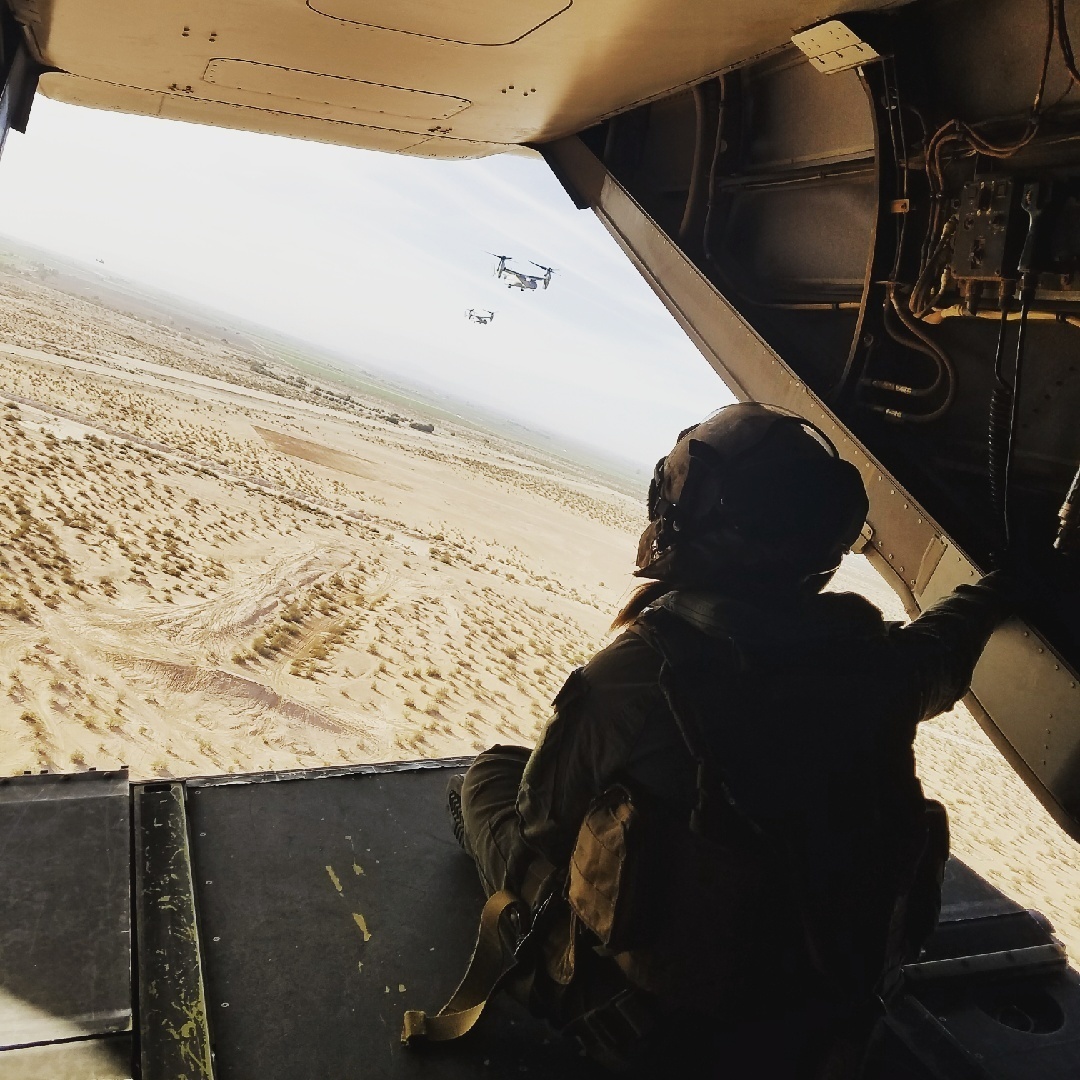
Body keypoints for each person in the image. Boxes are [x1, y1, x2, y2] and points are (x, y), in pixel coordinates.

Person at [440, 403, 1016, 1076]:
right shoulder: (875, 662)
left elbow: (542, 827)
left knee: (489, 780)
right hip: (827, 1029)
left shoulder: (637, 674)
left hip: (660, 1037)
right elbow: (944, 644)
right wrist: (1009, 585)